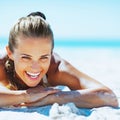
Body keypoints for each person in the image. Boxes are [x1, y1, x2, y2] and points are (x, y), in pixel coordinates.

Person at [0, 11, 118, 108]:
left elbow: (109, 96)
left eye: (43, 57)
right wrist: (25, 96)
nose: (35, 67)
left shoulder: (56, 69)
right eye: (26, 57)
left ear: (51, 53)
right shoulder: (2, 65)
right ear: (10, 52)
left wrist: (52, 98)